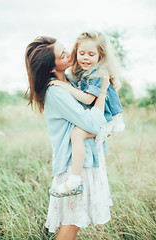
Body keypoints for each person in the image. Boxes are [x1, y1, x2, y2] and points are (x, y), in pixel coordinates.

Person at [25, 36, 112, 239]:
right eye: (63, 54)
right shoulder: (56, 91)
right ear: (51, 68)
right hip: (73, 166)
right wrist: (102, 91)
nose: (70, 54)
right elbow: (91, 123)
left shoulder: (71, 81)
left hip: (83, 161)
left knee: (74, 223)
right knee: (71, 224)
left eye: (66, 49)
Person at [48, 31, 125, 197]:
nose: (85, 58)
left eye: (91, 54)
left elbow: (89, 100)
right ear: (76, 52)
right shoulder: (84, 72)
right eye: (81, 53)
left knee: (77, 134)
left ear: (100, 56)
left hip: (108, 120)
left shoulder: (98, 74)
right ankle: (75, 179)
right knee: (77, 134)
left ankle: (75, 179)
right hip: (103, 119)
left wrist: (64, 86)